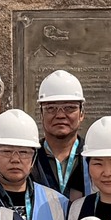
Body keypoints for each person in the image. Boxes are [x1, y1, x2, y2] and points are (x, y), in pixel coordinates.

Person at [31, 71, 88, 201]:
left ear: (81, 114)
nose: (60, 115)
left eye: (69, 108)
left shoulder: (92, 157)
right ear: (41, 114)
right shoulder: (29, 158)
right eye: (51, 108)